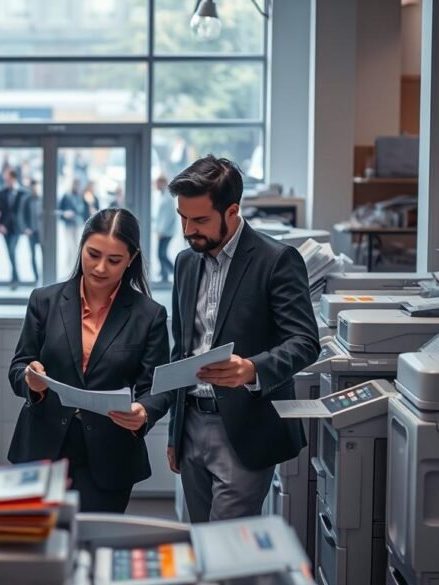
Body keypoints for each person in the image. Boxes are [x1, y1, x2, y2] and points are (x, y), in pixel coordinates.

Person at [166, 155, 320, 523]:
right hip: (191, 425)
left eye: (199, 219)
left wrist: (252, 368)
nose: (188, 230)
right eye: (182, 217)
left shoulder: (277, 260)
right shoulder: (186, 263)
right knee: (200, 541)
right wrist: (175, 433)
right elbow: (181, 348)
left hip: (245, 429)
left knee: (226, 549)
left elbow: (304, 341)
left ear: (232, 211)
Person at [7, 208, 172, 513]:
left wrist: (144, 412)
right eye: (93, 254)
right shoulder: (45, 301)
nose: (99, 268)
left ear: (131, 259)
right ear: (81, 246)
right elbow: (19, 366)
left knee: (96, 541)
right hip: (44, 446)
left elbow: (158, 389)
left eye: (114, 260)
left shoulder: (149, 315)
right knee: (42, 547)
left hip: (110, 452)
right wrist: (30, 380)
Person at [0, 169, 27, 289]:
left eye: (8, 179)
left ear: (14, 178)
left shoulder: (23, 193)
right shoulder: (1, 193)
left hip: (17, 228)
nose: (6, 181)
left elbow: (27, 212)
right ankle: (15, 278)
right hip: (5, 229)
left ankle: (15, 278)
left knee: (12, 252)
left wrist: (26, 227)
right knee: (11, 253)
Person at [153, 175, 178, 284]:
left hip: (166, 232)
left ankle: (175, 272)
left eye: (157, 183)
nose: (156, 185)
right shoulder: (164, 195)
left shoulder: (168, 197)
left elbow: (168, 216)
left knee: (161, 254)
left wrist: (161, 230)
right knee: (161, 253)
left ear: (162, 183)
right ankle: (164, 275)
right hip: (165, 231)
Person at [21, 179, 42, 283]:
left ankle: (44, 275)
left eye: (36, 187)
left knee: (44, 254)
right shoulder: (27, 200)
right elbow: (22, 215)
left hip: (41, 232)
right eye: (33, 187)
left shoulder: (43, 200)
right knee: (33, 255)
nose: (35, 189)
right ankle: (36, 277)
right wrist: (25, 228)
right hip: (31, 232)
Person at [58, 179, 85, 244]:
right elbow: (60, 209)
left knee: (77, 245)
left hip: (78, 223)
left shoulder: (81, 196)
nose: (76, 187)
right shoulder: (66, 195)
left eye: (78, 185)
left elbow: (83, 210)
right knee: (69, 245)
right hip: (68, 224)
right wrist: (64, 214)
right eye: (75, 184)